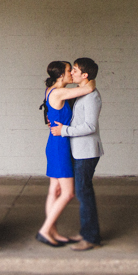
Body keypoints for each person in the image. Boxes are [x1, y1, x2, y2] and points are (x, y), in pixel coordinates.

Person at [37, 60, 95, 247]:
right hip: (60, 145)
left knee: (54, 189)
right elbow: (87, 89)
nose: (71, 74)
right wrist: (91, 80)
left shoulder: (51, 90)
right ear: (61, 75)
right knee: (68, 193)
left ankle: (52, 230)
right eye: (70, 71)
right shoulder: (59, 91)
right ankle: (45, 230)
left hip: (54, 142)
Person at [50, 57, 103, 251]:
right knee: (82, 192)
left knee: (84, 193)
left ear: (84, 75)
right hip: (78, 150)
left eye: (75, 69)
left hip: (86, 152)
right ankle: (87, 232)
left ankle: (90, 237)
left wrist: (64, 130)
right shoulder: (82, 93)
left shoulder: (92, 97)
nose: (72, 72)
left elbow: (90, 126)